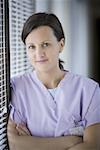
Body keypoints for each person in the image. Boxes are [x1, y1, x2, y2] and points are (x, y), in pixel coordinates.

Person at [7, 12, 100, 150]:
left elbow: (93, 145)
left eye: (45, 44)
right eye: (31, 47)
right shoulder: (17, 87)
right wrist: (72, 141)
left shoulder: (89, 90)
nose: (39, 53)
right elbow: (16, 144)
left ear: (61, 44)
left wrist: (33, 144)